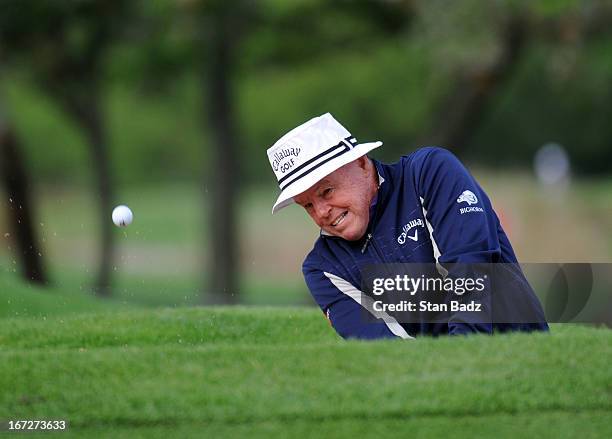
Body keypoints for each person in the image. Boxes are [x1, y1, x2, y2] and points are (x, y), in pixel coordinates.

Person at [267, 113, 548, 340]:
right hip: (438, 389)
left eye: (327, 191)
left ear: (361, 163)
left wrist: (464, 363)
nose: (322, 212)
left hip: (525, 361)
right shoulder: (322, 267)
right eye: (308, 206)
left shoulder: (428, 173)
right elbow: (386, 351)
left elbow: (471, 274)